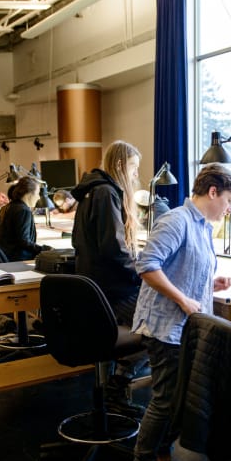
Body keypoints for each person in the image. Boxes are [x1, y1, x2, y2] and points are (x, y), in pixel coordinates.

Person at [129, 163, 231, 461]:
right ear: (213, 192)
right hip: (165, 327)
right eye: (229, 200)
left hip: (183, 328)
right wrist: (182, 298)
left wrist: (210, 283)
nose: (230, 208)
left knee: (176, 401)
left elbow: (183, 270)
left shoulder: (202, 226)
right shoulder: (177, 220)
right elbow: (147, 265)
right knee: (165, 402)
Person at [71, 141, 149, 417]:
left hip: (96, 293)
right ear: (119, 166)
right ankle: (119, 385)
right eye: (133, 168)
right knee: (162, 323)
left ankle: (116, 384)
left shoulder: (90, 192)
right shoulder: (106, 193)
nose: (135, 175)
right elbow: (114, 249)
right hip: (110, 294)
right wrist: (143, 274)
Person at [0, 177, 51, 261]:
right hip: (20, 258)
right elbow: (23, 242)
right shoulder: (23, 210)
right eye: (37, 193)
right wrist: (44, 249)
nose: (38, 197)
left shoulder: (6, 207)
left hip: (8, 255)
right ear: (29, 194)